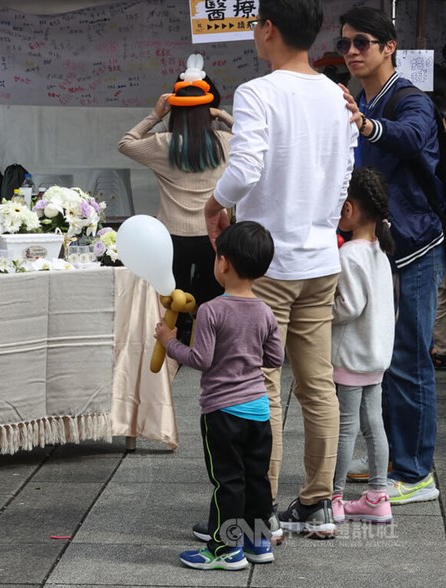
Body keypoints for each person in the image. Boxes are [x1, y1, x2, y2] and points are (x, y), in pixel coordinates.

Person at [202, 0, 357, 539]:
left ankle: (255, 511)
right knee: (318, 385)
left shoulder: (258, 92)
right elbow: (344, 180)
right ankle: (316, 502)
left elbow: (245, 169)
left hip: (265, 264)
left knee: (259, 384)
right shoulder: (339, 97)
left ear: (267, 28)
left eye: (255, 24)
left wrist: (215, 204)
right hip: (320, 258)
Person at [338, 6, 444, 505]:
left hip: (415, 247)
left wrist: (366, 125)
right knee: (377, 355)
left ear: (389, 47)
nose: (353, 52)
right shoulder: (364, 98)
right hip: (381, 245)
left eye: (362, 42)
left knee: (407, 358)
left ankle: (415, 470)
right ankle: (389, 455)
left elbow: (413, 135)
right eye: (346, 44)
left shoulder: (408, 98)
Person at [155, 221, 283, 570]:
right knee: (256, 479)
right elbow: (276, 358)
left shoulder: (212, 310)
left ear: (223, 263)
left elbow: (201, 359)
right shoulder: (265, 311)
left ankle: (226, 550)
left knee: (227, 482)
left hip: (222, 414)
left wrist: (169, 342)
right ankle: (258, 542)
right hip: (259, 411)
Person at [118, 77, 233, 344]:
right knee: (211, 294)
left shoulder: (163, 143)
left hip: (171, 237)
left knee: (172, 296)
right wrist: (224, 115)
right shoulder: (225, 141)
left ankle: (172, 344)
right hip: (212, 234)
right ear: (208, 111)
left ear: (175, 111)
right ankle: (208, 344)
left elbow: (126, 143)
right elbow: (258, 141)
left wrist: (154, 116)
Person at [330, 167, 395, 524]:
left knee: (345, 427)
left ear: (350, 209)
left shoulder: (350, 255)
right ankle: (377, 495)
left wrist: (323, 310)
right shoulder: (380, 253)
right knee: (374, 425)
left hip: (351, 356)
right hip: (376, 356)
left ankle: (335, 497)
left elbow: (349, 307)